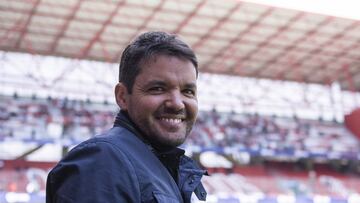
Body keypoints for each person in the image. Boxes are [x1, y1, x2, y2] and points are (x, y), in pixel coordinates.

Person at [46, 31, 207, 203]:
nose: (177, 103)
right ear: (122, 96)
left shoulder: (158, 165)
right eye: (158, 88)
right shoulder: (103, 162)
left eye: (188, 91)